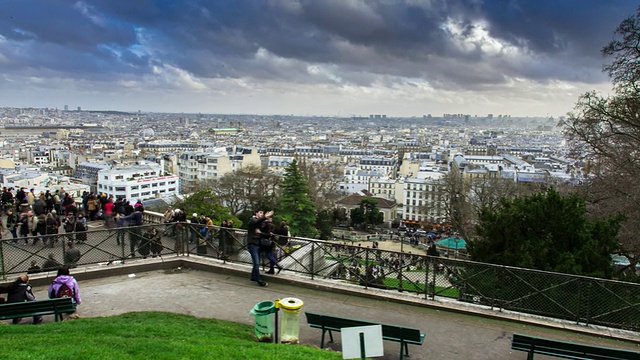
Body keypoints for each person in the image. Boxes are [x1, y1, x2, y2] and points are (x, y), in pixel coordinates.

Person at [246, 210, 273, 287]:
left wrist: (262, 232)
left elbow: (267, 233)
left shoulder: (260, 223)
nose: (261, 214)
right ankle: (258, 280)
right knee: (257, 262)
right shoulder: (252, 220)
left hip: (258, 244)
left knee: (256, 262)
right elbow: (255, 222)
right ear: (256, 213)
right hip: (252, 244)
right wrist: (265, 217)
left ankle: (254, 277)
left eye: (262, 213)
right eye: (260, 212)